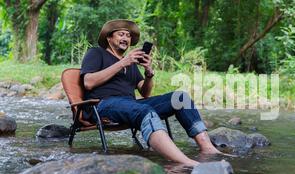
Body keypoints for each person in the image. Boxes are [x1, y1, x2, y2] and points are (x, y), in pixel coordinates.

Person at [80, 19, 222, 166]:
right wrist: (122, 63)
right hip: (103, 105)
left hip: (130, 105)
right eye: (121, 34)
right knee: (144, 110)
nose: (125, 38)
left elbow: (145, 92)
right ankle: (186, 162)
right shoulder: (96, 53)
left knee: (180, 98)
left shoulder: (131, 63)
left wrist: (149, 72)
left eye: (128, 36)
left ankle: (208, 149)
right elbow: (88, 82)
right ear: (109, 38)